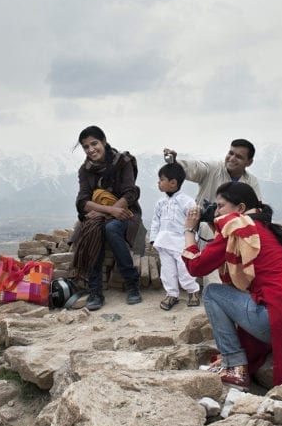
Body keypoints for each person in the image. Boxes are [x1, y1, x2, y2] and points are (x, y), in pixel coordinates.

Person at [181, 182, 282, 389]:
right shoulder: (269, 230)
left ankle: (235, 367)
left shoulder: (238, 228)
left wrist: (189, 229)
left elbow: (196, 267)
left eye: (220, 206)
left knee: (212, 292)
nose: (216, 211)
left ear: (240, 208)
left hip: (280, 319)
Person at [70, 125, 143, 311]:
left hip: (126, 211)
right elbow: (82, 201)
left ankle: (131, 283)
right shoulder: (85, 170)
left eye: (94, 143)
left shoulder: (123, 162)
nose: (91, 149)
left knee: (110, 228)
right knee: (93, 229)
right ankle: (95, 290)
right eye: (86, 147)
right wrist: (107, 212)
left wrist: (106, 211)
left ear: (103, 141)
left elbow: (130, 193)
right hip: (104, 213)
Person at [149, 162, 201, 310]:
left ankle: (193, 290)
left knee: (185, 270)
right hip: (164, 242)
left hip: (181, 243)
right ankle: (172, 294)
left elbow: (193, 223)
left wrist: (192, 242)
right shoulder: (160, 202)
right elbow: (155, 221)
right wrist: (153, 238)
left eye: (161, 180)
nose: (158, 183)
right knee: (167, 271)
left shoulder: (187, 201)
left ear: (173, 183)